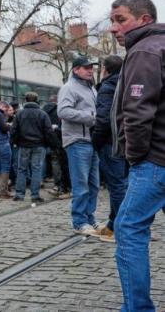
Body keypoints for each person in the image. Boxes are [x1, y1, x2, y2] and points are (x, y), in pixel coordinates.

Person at [109, 0, 165, 311]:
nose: (113, 27)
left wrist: (135, 156)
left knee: (128, 228)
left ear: (144, 20)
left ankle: (138, 309)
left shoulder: (144, 50)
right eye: (112, 20)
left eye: (120, 19)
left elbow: (138, 111)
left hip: (155, 159)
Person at [57, 55, 100, 236]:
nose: (91, 70)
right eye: (86, 67)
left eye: (92, 67)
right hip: (77, 140)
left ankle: (90, 218)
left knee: (94, 184)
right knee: (81, 184)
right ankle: (79, 221)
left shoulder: (91, 89)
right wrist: (90, 117)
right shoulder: (69, 88)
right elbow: (63, 111)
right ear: (76, 70)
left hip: (92, 140)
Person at [92, 55, 128, 243]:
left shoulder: (107, 87)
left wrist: (96, 140)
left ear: (105, 69)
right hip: (125, 140)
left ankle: (120, 228)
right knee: (122, 185)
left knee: (117, 186)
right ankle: (113, 225)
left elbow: (104, 119)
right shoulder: (125, 83)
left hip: (110, 142)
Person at [11, 92, 54, 202]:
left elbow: (14, 131)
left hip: (24, 145)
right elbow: (48, 131)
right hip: (39, 145)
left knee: (21, 169)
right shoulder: (42, 114)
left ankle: (19, 194)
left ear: (25, 100)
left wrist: (15, 142)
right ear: (37, 100)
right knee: (36, 169)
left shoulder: (19, 114)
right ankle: (35, 195)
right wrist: (49, 144)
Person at [43, 95, 71, 199]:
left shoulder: (44, 111)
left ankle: (59, 186)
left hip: (53, 141)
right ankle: (63, 187)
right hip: (64, 141)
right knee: (64, 165)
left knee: (57, 163)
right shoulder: (61, 112)